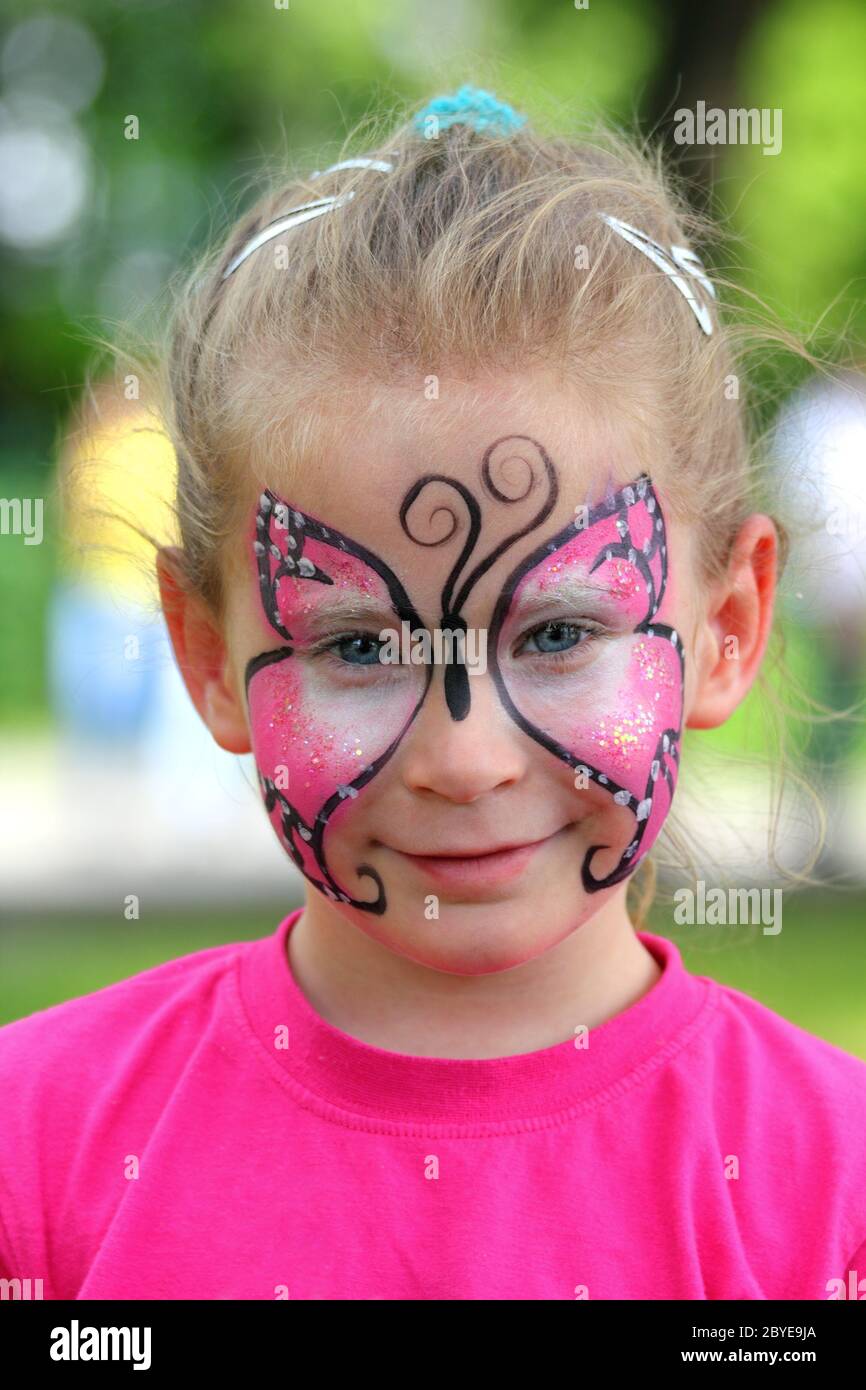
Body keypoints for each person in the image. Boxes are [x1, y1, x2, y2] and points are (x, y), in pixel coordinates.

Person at [1, 85, 865, 1302]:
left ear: (725, 629)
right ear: (205, 654)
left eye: (560, 630)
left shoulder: (828, 1205)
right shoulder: (34, 1159)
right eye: (357, 648)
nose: (463, 761)